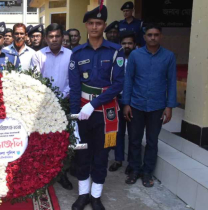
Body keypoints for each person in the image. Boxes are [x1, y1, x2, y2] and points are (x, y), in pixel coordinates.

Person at [69, 5, 124, 210]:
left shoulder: (115, 50)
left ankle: (96, 196)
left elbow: (118, 84)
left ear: (104, 25)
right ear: (86, 25)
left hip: (105, 113)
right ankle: (83, 195)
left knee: (101, 156)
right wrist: (74, 117)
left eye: (98, 23)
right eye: (91, 23)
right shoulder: (77, 52)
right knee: (82, 154)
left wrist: (94, 103)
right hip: (82, 113)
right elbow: (74, 87)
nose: (94, 26)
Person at [123, 24, 177, 188]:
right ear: (145, 37)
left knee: (152, 141)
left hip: (157, 106)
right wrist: (126, 103)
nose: (153, 37)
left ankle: (147, 173)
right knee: (134, 140)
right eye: (150, 35)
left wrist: (169, 106)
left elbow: (171, 82)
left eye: (156, 34)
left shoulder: (168, 56)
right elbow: (129, 80)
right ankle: (134, 170)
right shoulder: (135, 55)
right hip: (136, 105)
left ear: (160, 36)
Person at [31, 23, 72, 190]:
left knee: (62, 142)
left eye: (57, 36)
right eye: (51, 37)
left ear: (62, 37)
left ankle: (62, 175)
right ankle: (44, 176)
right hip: (44, 106)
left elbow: (72, 80)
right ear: (46, 38)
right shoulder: (38, 55)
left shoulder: (70, 55)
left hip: (65, 104)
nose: (54, 39)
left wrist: (61, 99)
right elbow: (35, 80)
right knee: (44, 142)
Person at [108, 31, 136, 174]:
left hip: (133, 101)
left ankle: (132, 162)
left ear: (134, 45)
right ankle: (118, 159)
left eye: (129, 43)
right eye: (124, 43)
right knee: (118, 132)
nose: (127, 46)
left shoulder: (137, 59)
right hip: (117, 100)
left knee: (133, 133)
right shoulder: (115, 58)